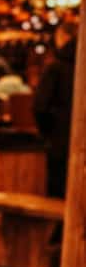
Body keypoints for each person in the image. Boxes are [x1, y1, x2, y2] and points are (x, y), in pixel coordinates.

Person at [34, 18, 79, 198]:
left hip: (60, 144)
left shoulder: (56, 67)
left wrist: (49, 133)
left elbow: (40, 107)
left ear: (63, 37)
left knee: (58, 198)